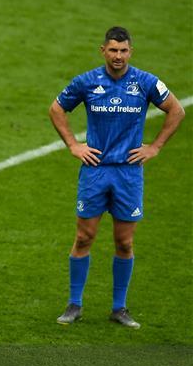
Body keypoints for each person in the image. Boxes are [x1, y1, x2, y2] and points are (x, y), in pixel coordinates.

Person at [49, 26, 185, 329]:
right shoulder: (86, 81)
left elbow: (176, 111)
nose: (118, 56)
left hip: (128, 174)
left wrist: (155, 146)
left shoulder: (145, 82)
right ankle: (74, 304)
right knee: (84, 237)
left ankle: (119, 308)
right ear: (103, 51)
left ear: (130, 52)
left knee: (124, 242)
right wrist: (73, 145)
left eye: (123, 51)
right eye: (113, 50)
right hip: (95, 171)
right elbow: (56, 109)